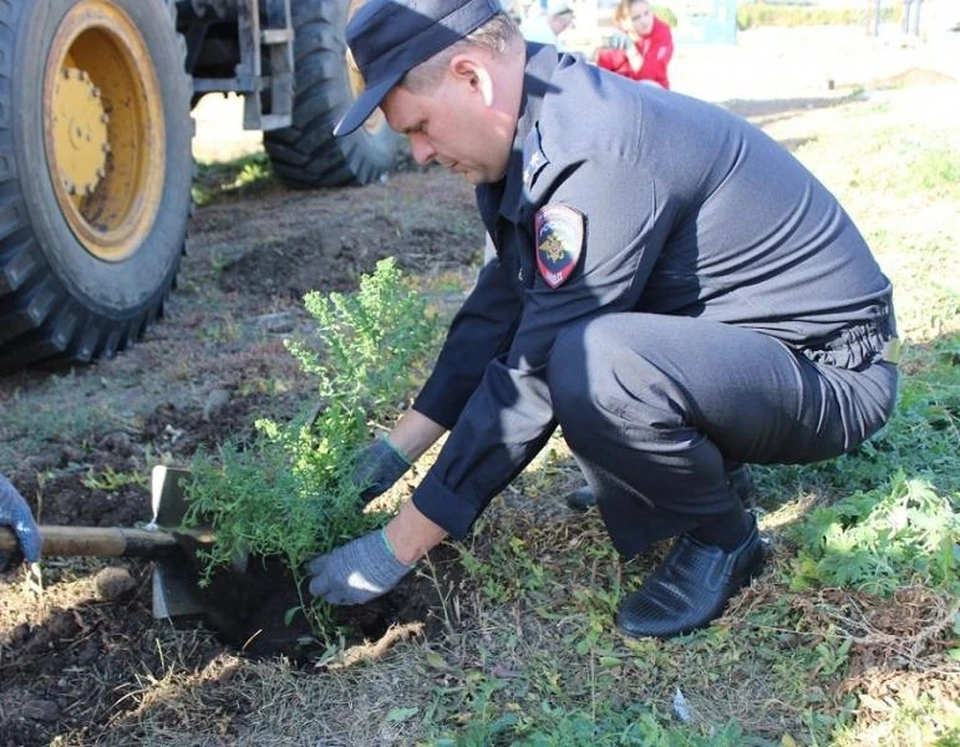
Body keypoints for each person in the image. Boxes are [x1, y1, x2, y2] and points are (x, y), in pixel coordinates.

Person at [305, 0, 899, 639]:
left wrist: (396, 546)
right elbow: (497, 312)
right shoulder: (532, 135)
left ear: (471, 77)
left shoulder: (592, 151)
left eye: (419, 126)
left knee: (595, 363)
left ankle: (723, 538)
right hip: (745, 359)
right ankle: (701, 474)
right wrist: (395, 451)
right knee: (584, 350)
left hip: (830, 371)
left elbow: (530, 373)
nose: (419, 153)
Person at [595, 0, 673, 89]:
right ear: (622, 22)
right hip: (621, 93)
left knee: (648, 85)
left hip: (654, 94)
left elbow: (649, 76)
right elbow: (601, 80)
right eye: (636, 18)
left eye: (647, 13)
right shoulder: (613, 43)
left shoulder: (662, 33)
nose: (644, 21)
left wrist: (630, 50)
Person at [0, 473, 41, 571]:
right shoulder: (8, 494)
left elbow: (27, 528)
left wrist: (32, 559)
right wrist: (32, 559)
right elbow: (28, 528)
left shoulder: (7, 495)